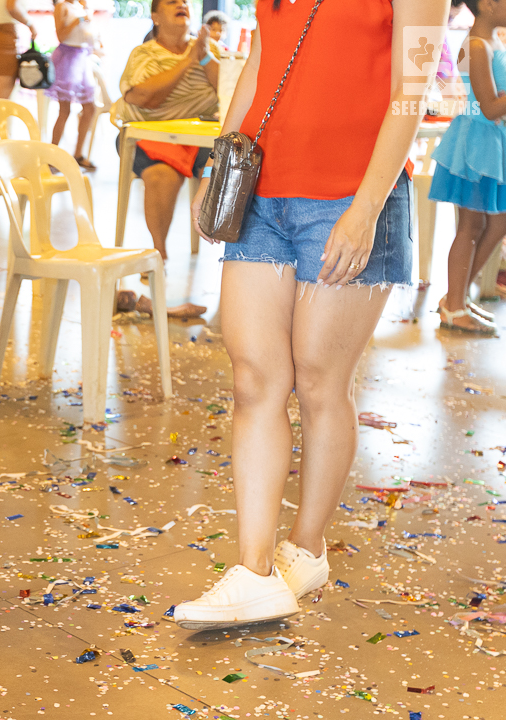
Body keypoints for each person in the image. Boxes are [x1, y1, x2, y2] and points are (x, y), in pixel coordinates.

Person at [174, 0, 447, 630]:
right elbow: (261, 62)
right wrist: (218, 163)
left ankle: (306, 549)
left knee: (321, 381)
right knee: (254, 378)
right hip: (260, 191)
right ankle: (255, 571)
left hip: (351, 198)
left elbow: (410, 89)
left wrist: (367, 208)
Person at [111, 0, 216, 316]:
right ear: (155, 17)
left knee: (231, 172)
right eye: (172, 1)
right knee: (161, 175)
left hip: (200, 136)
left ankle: (237, 261)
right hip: (149, 135)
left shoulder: (207, 49)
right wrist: (187, 61)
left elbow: (228, 89)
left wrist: (204, 55)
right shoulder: (143, 54)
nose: (182, 4)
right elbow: (145, 97)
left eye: (185, 2)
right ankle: (159, 252)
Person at [428, 0, 505, 335]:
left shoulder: (492, 40)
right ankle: (454, 306)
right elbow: (489, 107)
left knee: (496, 223)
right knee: (470, 227)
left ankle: (455, 297)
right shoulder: (475, 45)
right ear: (487, 5)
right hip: (476, 143)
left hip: (491, 142)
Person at [47, 0, 98, 170]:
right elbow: (61, 36)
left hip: (83, 58)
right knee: (65, 110)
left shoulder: (82, 6)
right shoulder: (62, 7)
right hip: (67, 59)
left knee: (90, 108)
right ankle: (52, 155)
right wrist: (78, 21)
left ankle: (78, 154)